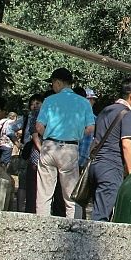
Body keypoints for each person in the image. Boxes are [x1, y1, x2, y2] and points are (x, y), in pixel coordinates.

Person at [34, 68, 95, 218]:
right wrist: (76, 135)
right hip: (70, 148)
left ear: (58, 82)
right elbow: (90, 127)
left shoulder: (49, 100)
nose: (52, 87)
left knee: (44, 192)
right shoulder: (83, 102)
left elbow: (39, 126)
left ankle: (41, 225)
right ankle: (74, 227)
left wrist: (48, 136)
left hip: (49, 146)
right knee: (71, 194)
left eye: (53, 83)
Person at [90, 78, 131, 221]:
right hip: (111, 166)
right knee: (101, 216)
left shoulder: (105, 110)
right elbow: (126, 144)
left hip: (95, 165)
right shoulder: (128, 114)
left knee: (98, 209)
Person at [21, 93, 44, 213]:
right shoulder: (28, 117)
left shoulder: (39, 116)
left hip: (37, 156)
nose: (34, 106)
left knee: (33, 186)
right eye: (32, 104)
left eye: (37, 103)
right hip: (30, 154)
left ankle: (31, 211)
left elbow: (35, 135)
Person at [78, 87, 99, 169]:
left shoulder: (95, 119)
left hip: (84, 161)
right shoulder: (76, 117)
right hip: (75, 159)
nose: (92, 102)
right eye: (90, 99)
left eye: (93, 99)